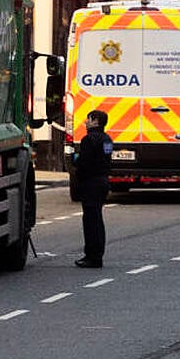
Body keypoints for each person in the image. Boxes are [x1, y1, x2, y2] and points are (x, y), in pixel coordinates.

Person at [74, 109, 113, 268]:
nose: (86, 122)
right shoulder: (107, 139)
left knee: (90, 220)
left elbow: (84, 163)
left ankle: (92, 256)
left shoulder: (89, 139)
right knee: (97, 219)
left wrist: (77, 168)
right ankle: (98, 254)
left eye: (88, 119)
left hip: (91, 182)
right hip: (103, 180)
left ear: (96, 121)